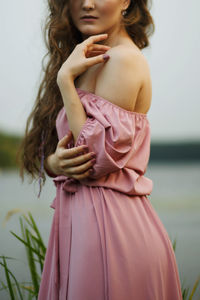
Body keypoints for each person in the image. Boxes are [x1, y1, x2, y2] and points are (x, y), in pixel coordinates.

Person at [18, 0, 183, 299]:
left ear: (126, 2)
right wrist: (56, 163)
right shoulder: (85, 59)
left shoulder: (123, 60)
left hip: (113, 234)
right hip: (85, 228)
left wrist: (65, 82)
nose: (88, 3)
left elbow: (93, 161)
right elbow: (57, 157)